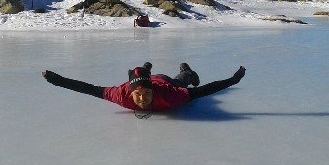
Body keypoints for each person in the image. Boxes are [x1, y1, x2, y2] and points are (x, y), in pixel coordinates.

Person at [41, 62, 246, 116]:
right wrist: (57, 80)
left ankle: (187, 70)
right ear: (130, 93)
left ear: (153, 92)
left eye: (146, 94)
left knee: (182, 80)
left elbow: (202, 91)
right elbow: (88, 89)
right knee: (137, 74)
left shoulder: (169, 95)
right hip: (142, 78)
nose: (142, 99)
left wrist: (232, 80)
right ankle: (145, 68)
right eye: (138, 95)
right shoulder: (121, 95)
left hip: (164, 81)